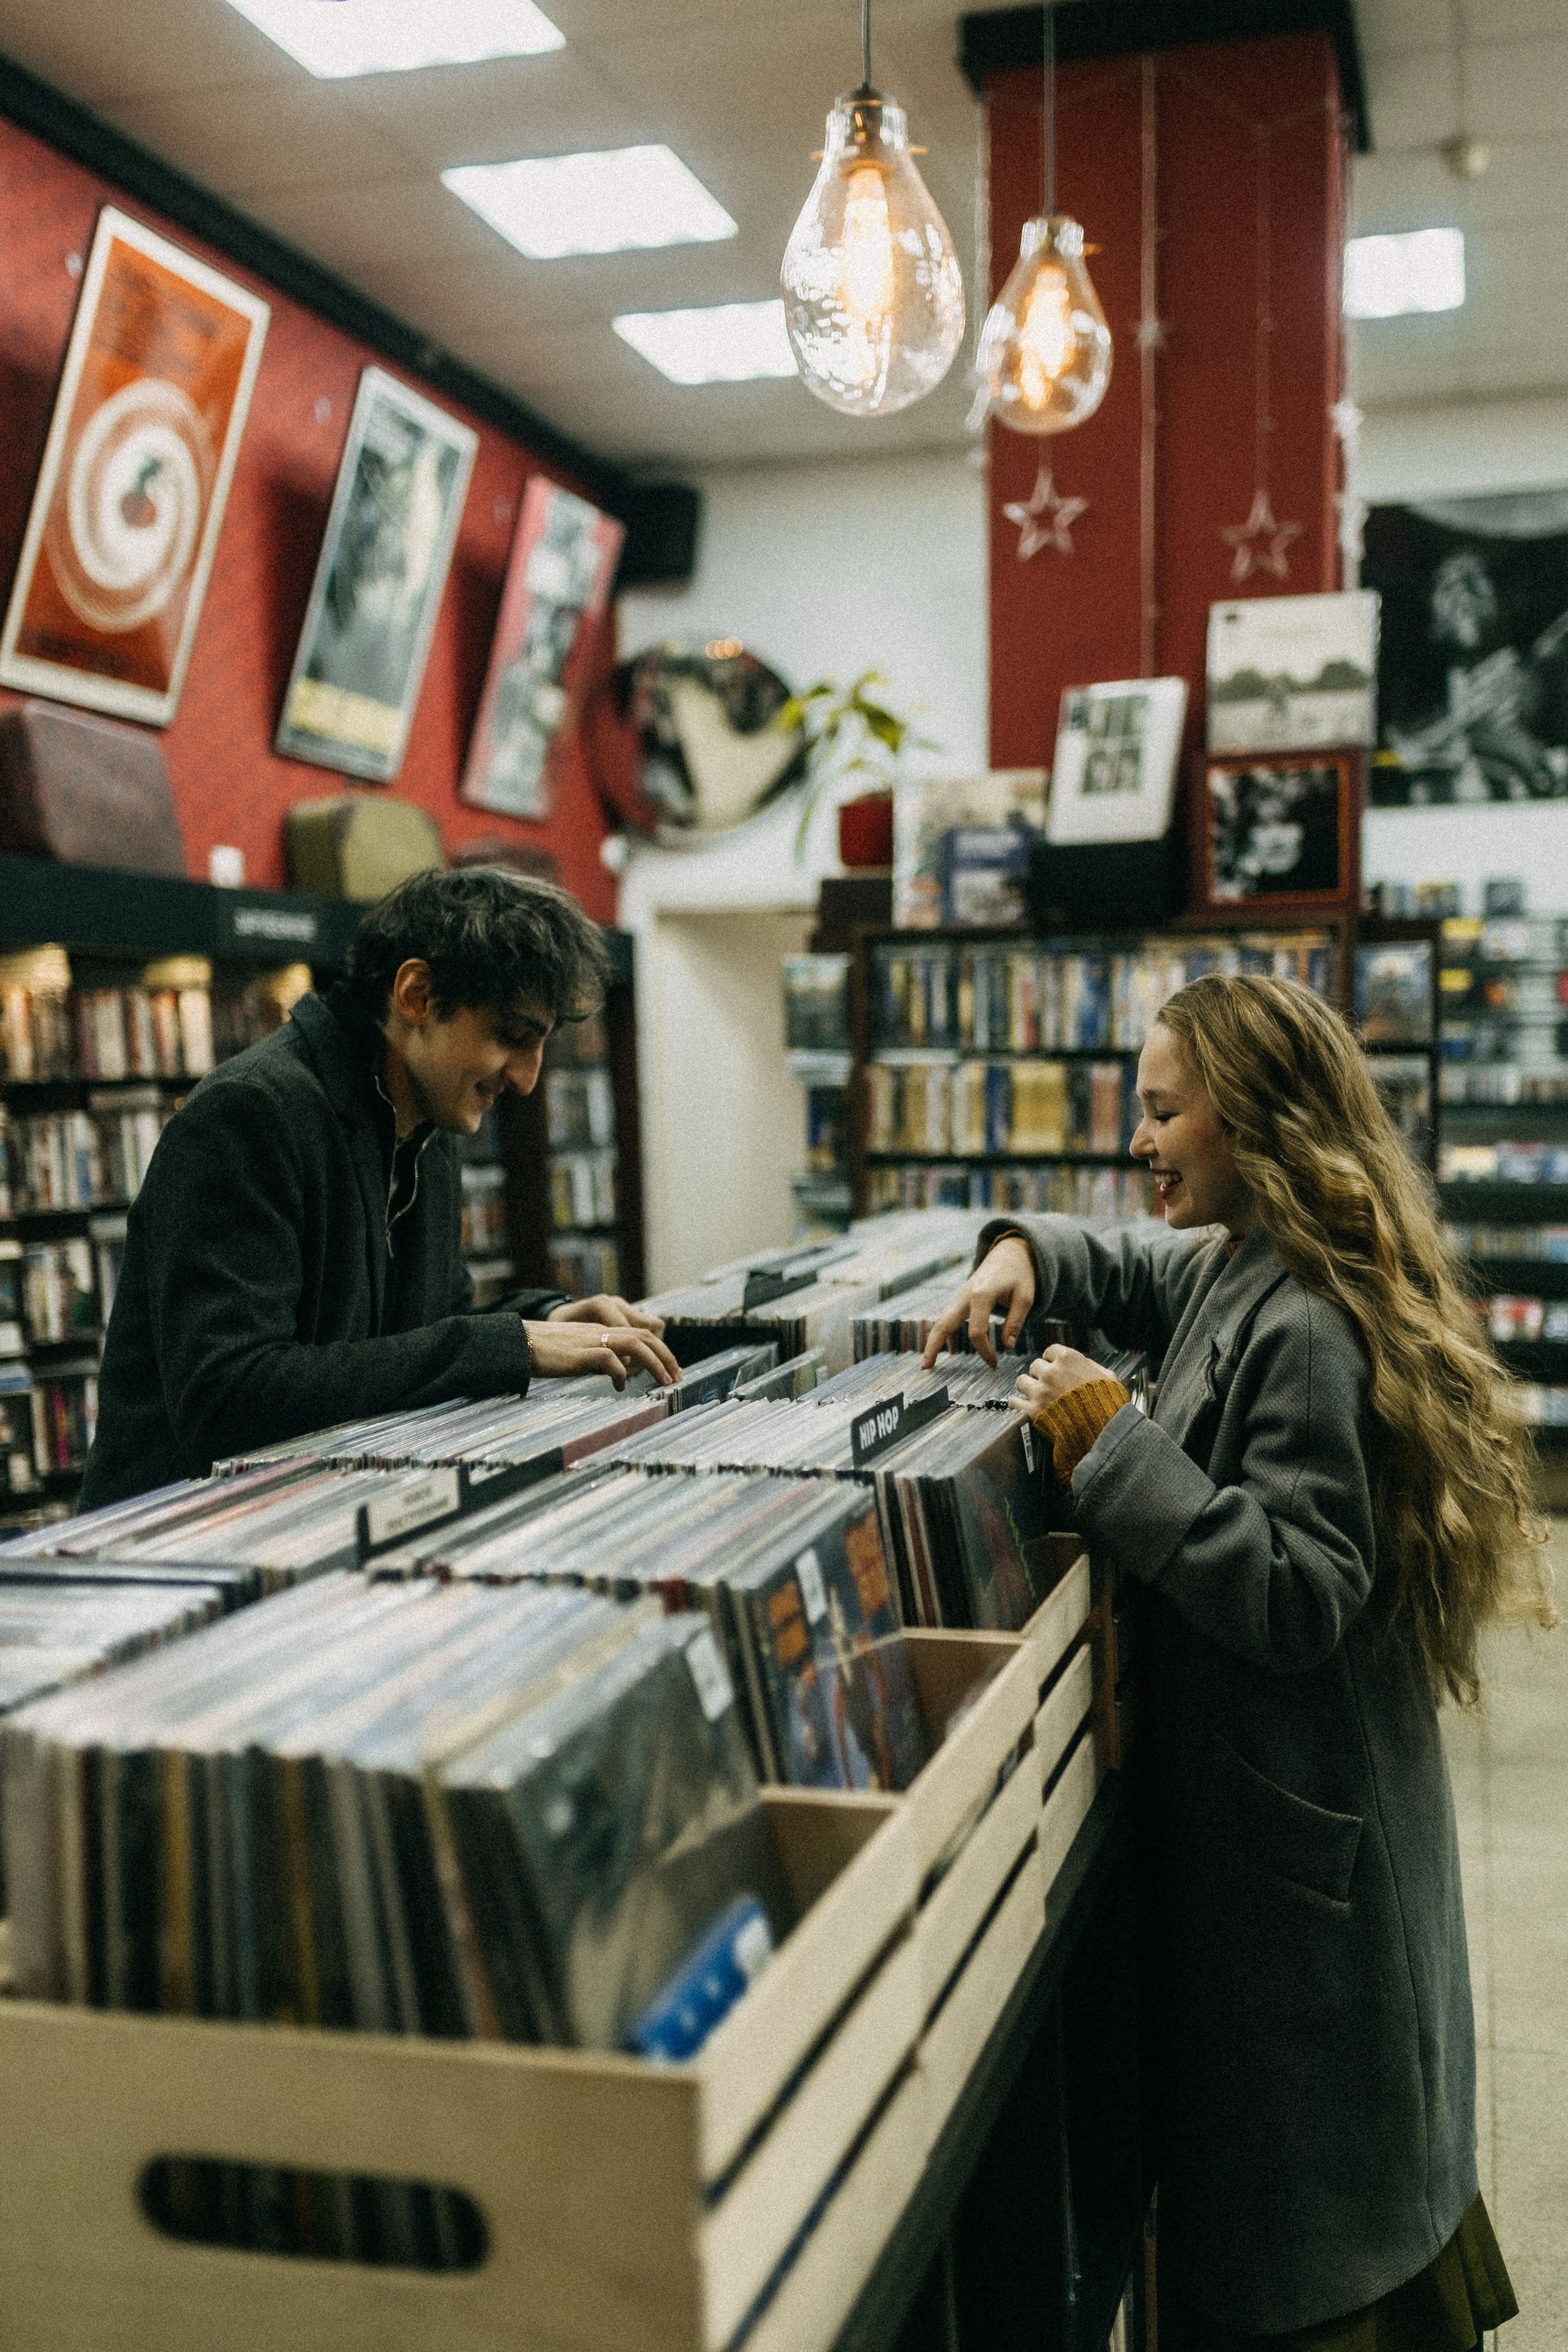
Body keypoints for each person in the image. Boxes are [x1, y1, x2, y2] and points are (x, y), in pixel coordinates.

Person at [921, 973, 1555, 2351]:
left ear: (1253, 1125)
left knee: (1323, 2238)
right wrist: (1026, 1248)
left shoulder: (1307, 1324)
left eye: (1160, 1113)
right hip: (1284, 1841)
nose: (1135, 1141)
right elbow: (1145, 1272)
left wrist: (1113, 1453)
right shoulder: (1244, 1258)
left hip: (1307, 1876)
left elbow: (1299, 1590)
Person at [81, 867, 677, 1507]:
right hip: (175, 1551)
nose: (529, 1080)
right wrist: (512, 1345)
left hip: (312, 1522)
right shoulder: (248, 1115)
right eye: (512, 1036)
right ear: (416, 994)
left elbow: (419, 1332)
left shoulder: (431, 1126)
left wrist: (542, 1317)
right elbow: (229, 1399)